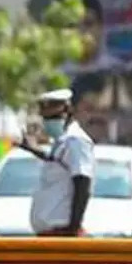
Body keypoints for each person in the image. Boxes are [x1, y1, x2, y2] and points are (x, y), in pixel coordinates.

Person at [25, 88, 95, 236]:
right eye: (46, 119)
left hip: (62, 233)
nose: (49, 123)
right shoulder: (62, 141)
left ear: (68, 112)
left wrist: (73, 229)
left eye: (53, 118)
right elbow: (57, 163)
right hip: (50, 233)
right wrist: (33, 149)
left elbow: (82, 184)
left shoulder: (75, 140)